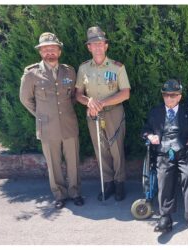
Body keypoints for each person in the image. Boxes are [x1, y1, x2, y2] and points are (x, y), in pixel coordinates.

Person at [20, 32, 83, 209]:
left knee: (73, 161)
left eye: (53, 49)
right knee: (53, 163)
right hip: (47, 126)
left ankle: (75, 192)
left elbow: (72, 96)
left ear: (59, 51)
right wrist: (40, 115)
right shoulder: (31, 73)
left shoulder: (69, 71)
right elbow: (26, 99)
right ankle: (59, 195)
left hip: (69, 124)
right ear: (40, 52)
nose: (50, 53)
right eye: (45, 50)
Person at [142, 79, 188, 233]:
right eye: (166, 95)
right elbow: (145, 130)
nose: (169, 98)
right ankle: (165, 217)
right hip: (163, 154)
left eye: (173, 95)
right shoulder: (155, 113)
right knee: (163, 176)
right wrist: (150, 136)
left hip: (184, 153)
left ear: (179, 96)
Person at [75, 26, 131, 201]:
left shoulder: (117, 67)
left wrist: (103, 102)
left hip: (113, 112)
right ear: (89, 47)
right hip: (93, 114)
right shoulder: (83, 68)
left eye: (100, 43)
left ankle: (120, 183)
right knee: (101, 150)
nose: (97, 47)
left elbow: (125, 93)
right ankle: (108, 184)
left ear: (106, 46)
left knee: (116, 149)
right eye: (93, 44)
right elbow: (77, 94)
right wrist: (88, 101)